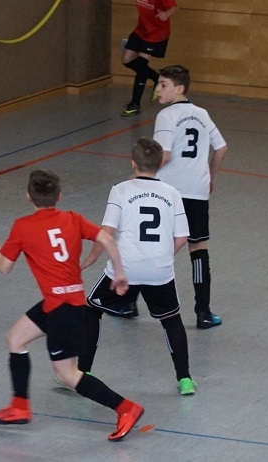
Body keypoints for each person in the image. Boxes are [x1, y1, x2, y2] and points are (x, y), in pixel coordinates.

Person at [0, 170, 144, 442]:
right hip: (62, 302)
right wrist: (120, 273)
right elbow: (107, 238)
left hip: (63, 310)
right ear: (59, 196)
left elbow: (5, 267)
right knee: (15, 338)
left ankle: (126, 408)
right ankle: (19, 406)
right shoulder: (73, 219)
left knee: (67, 375)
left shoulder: (22, 226)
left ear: (28, 196)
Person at [109, 66, 229, 329]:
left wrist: (136, 178)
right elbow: (221, 148)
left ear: (179, 88)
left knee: (148, 245)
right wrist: (210, 177)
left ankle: (127, 302)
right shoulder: (202, 114)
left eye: (163, 85)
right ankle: (203, 312)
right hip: (197, 192)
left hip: (168, 192)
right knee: (198, 249)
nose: (158, 90)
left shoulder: (167, 115)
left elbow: (163, 155)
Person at [79, 138, 196, 396]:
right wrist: (161, 255)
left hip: (126, 268)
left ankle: (82, 372)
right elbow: (182, 237)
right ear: (160, 164)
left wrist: (92, 257)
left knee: (92, 309)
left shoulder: (120, 190)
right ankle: (185, 378)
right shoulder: (172, 193)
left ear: (133, 163)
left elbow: (107, 232)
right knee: (171, 319)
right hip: (159, 270)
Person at [83, 0, 178, 117]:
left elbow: (174, 7)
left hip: (157, 32)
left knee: (141, 64)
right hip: (142, 28)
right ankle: (157, 77)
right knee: (126, 60)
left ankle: (135, 103)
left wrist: (166, 14)